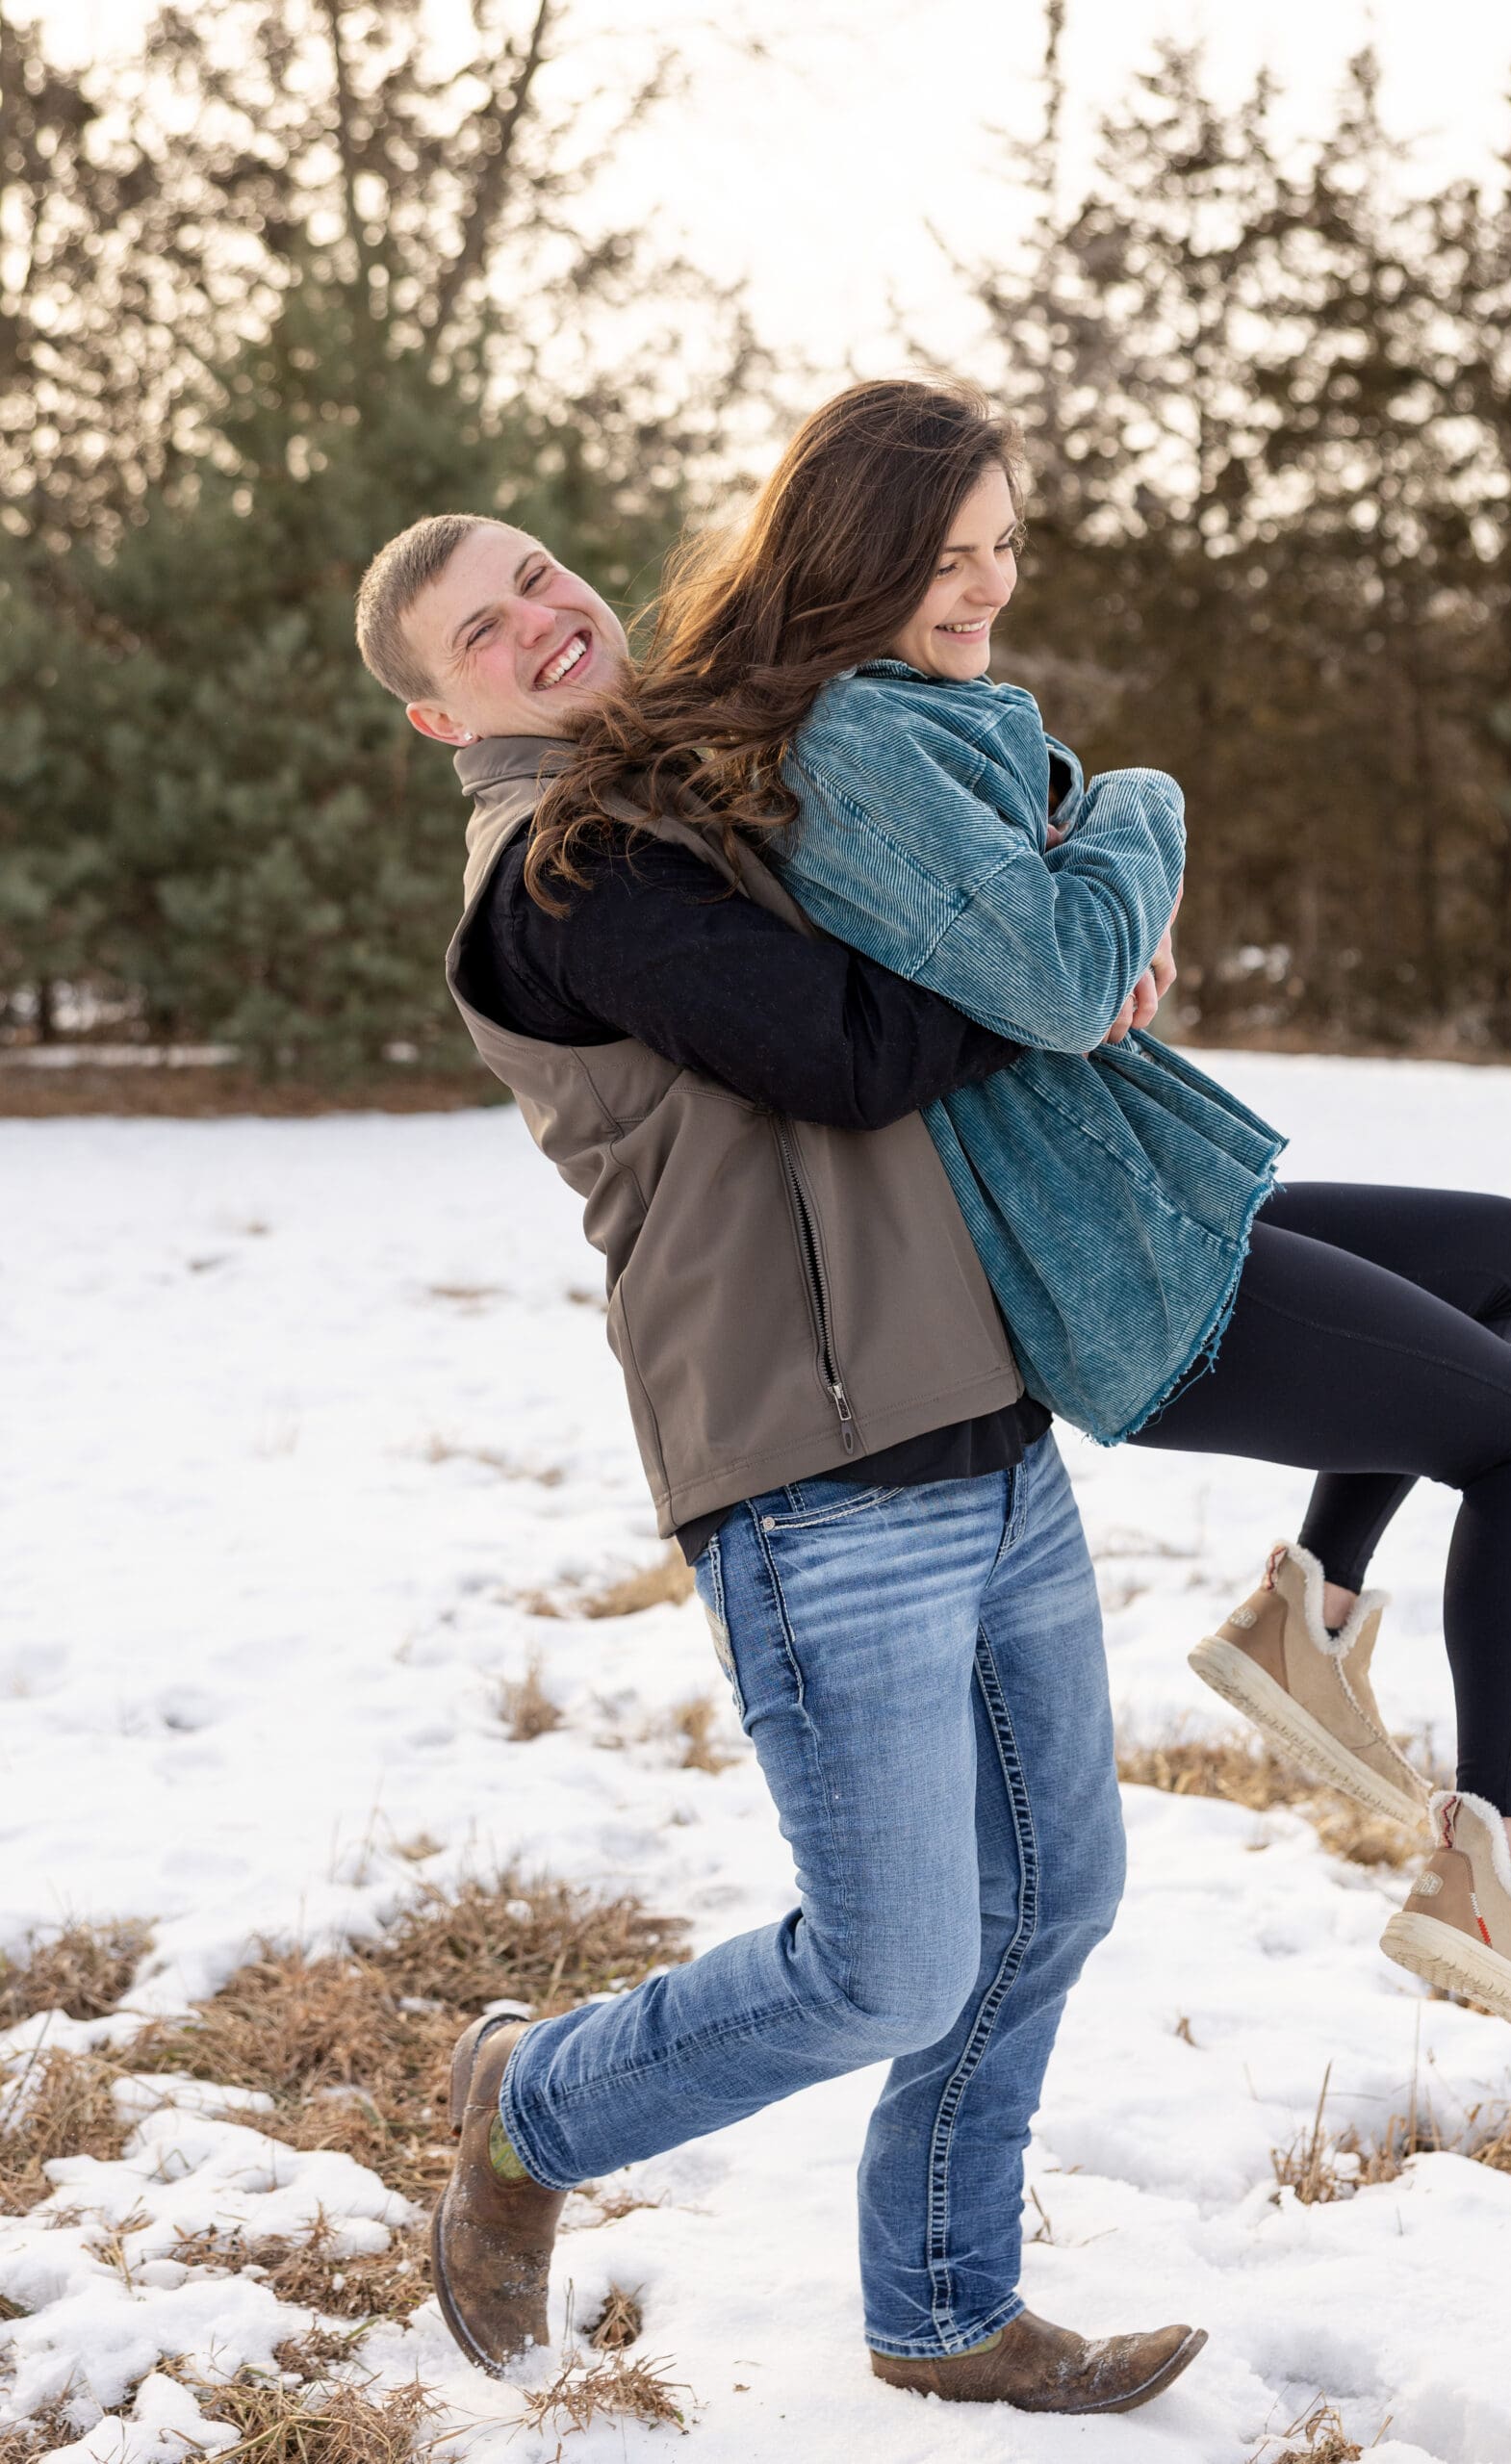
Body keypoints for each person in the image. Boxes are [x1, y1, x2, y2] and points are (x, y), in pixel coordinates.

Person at [539, 376, 1511, 2069]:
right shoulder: (867, 738)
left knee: (1498, 1248)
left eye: (1003, 548)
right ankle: (1496, 1869)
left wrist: (1080, 891)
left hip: (1113, 1192)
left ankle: (1308, 1614)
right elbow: (1048, 968)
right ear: (854, 555)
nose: (988, 587)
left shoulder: (913, 717)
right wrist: (1140, 811)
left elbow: (1037, 947)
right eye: (947, 557)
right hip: (1097, 1261)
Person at [353, 512, 1208, 2415]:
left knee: (1052, 1897)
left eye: (541, 579)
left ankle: (941, 2300)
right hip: (811, 1475)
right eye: (485, 635)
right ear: (441, 715)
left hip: (978, 1425)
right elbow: (846, 1048)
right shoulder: (562, 868)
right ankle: (535, 2098)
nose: (542, 622)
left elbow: (932, 921)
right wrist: (1057, 940)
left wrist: (1046, 947)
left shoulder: (696, 781)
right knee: (889, 1961)